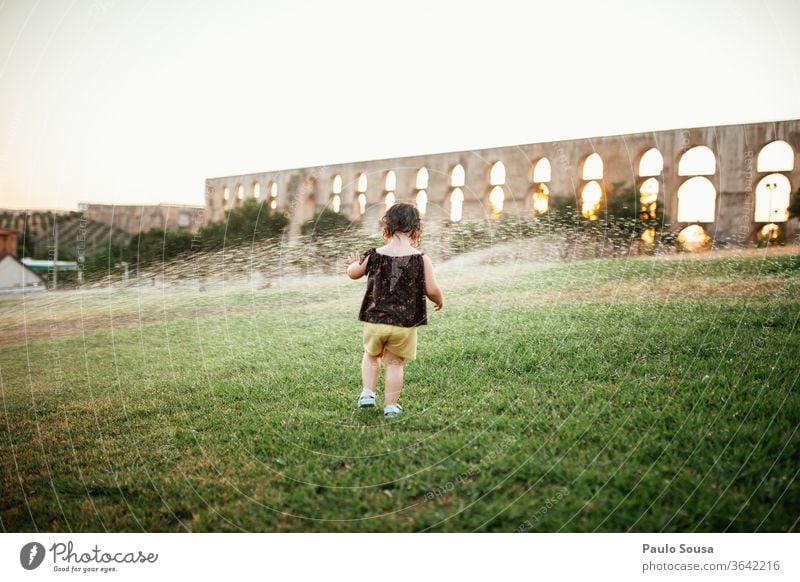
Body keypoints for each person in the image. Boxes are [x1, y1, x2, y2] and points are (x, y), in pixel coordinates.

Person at [345, 202, 444, 418]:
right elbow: (432, 289)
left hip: (375, 321)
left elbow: (354, 273)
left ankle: (368, 393)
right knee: (395, 363)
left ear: (385, 229)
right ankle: (390, 407)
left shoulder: (374, 255)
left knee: (371, 356)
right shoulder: (421, 259)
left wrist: (352, 264)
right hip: (404, 324)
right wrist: (439, 299)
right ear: (417, 231)